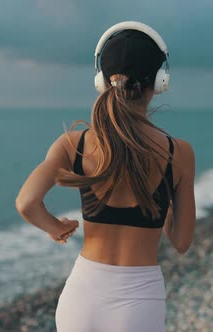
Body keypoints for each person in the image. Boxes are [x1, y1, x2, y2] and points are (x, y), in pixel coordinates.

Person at [15, 21, 196, 332]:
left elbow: (27, 202)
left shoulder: (74, 143)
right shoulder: (177, 153)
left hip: (81, 297)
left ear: (102, 81)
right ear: (159, 81)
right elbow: (180, 241)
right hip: (139, 302)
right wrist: (163, 198)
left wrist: (56, 228)